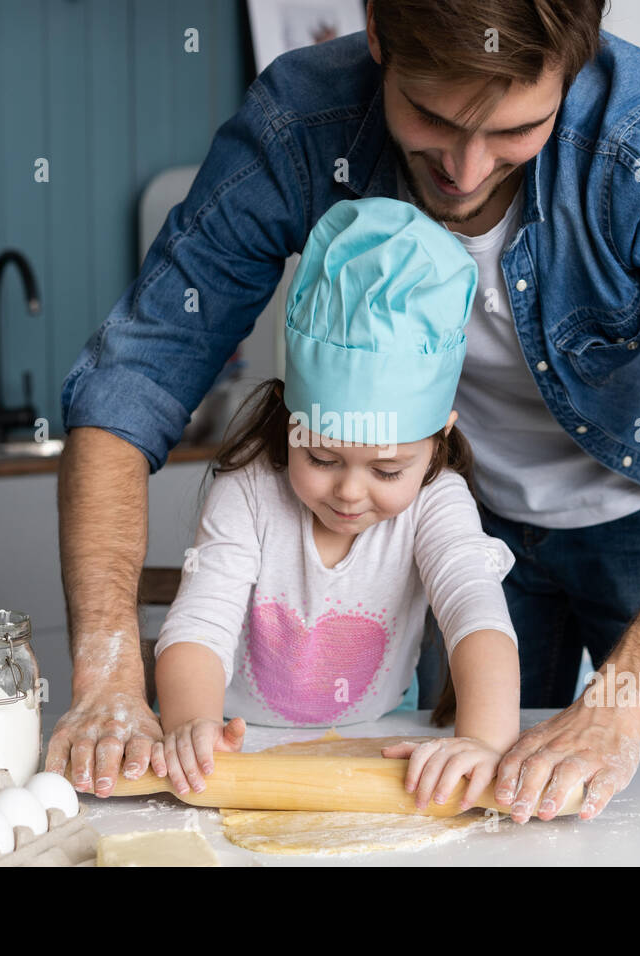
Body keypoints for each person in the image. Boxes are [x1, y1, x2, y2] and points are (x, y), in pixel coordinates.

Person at [49, 0, 640, 824]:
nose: (464, 170)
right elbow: (132, 380)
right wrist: (109, 678)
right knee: (456, 807)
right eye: (431, 116)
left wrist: (611, 716)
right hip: (458, 503)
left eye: (514, 130)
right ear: (379, 38)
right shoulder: (301, 121)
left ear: (574, 67)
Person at [149, 197, 521, 812]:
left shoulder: (437, 500)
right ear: (291, 420)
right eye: (321, 459)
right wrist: (192, 724)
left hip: (377, 748)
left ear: (439, 440)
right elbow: (200, 622)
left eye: (386, 469)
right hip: (239, 751)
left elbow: (476, 612)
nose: (350, 491)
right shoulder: (247, 490)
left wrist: (483, 741)